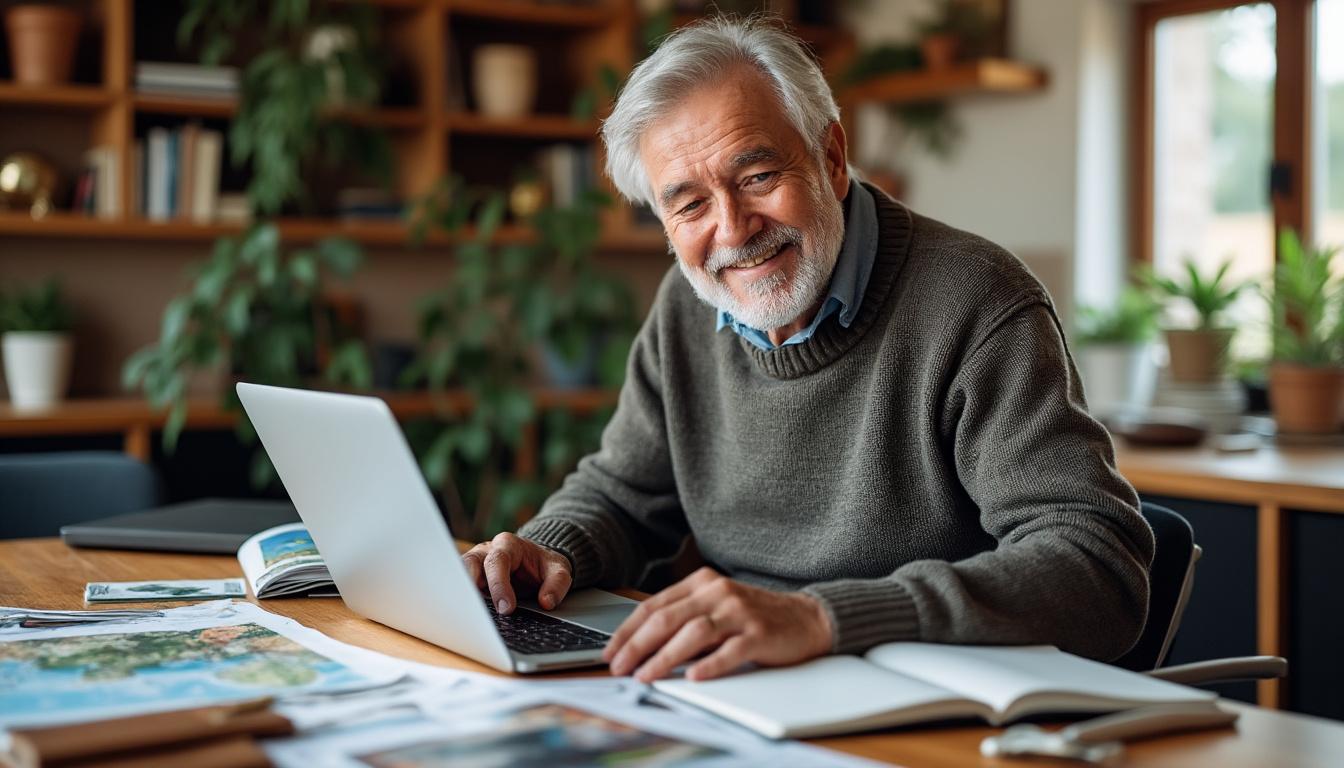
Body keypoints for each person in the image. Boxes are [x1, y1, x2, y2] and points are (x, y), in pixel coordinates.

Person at [462, 17, 1154, 684]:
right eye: (690, 204)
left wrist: (824, 617)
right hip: (745, 682)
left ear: (830, 155)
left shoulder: (977, 301)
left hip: (928, 697)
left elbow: (1096, 566)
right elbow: (622, 494)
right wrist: (547, 551)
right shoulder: (687, 302)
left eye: (757, 176)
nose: (732, 230)